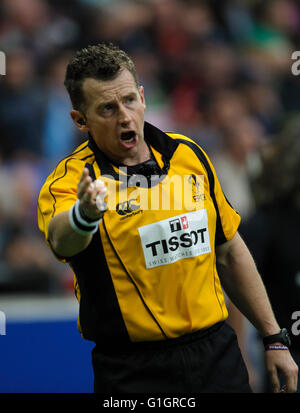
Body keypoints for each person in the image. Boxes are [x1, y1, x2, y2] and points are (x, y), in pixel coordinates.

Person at [37, 43, 298, 393]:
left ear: (143, 97)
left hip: (217, 355)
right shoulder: (70, 183)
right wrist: (85, 215)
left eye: (129, 100)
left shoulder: (188, 155)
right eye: (107, 109)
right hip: (133, 370)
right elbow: (61, 238)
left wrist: (274, 338)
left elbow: (230, 251)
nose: (125, 117)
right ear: (80, 119)